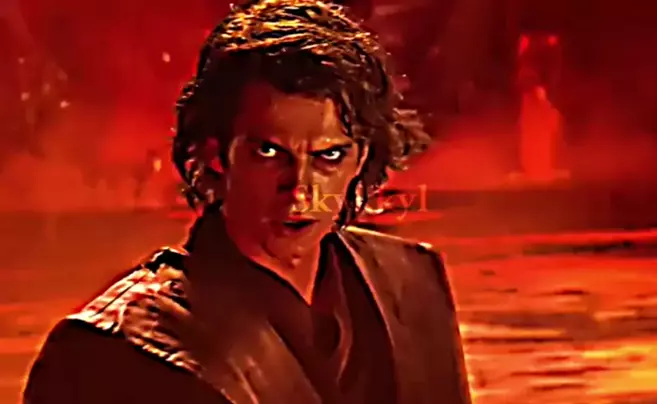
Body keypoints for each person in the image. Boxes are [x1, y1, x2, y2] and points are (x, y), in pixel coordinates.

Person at [23, 1, 471, 403]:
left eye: (328, 156)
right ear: (217, 154)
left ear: (362, 158)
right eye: (269, 153)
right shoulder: (114, 350)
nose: (300, 190)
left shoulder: (410, 284)